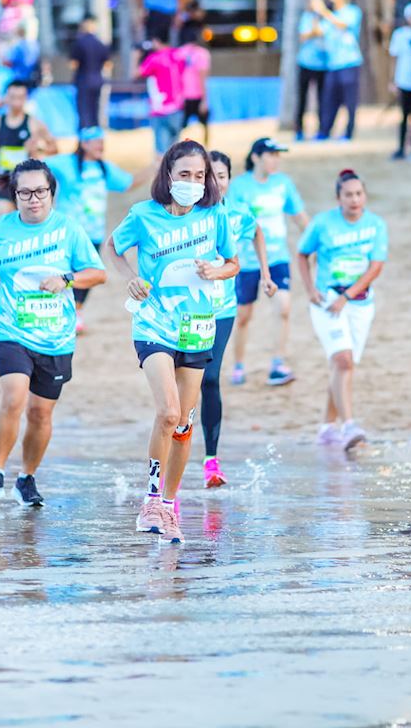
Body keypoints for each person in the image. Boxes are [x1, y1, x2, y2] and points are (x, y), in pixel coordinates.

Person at [104, 140, 238, 542]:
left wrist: (216, 273)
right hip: (153, 324)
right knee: (167, 412)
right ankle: (149, 500)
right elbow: (110, 246)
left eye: (200, 176)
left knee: (183, 423)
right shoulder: (144, 215)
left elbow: (233, 263)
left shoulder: (215, 214)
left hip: (198, 324)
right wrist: (129, 276)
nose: (193, 182)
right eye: (185, 175)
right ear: (168, 175)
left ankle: (168, 504)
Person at [0, 159, 106, 506]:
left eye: (40, 192)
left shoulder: (69, 229)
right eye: (25, 193)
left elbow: (97, 272)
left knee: (40, 412)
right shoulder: (1, 228)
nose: (34, 199)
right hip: (11, 329)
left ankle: (26, 478)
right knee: (14, 397)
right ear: (15, 195)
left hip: (56, 336)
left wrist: (66, 280)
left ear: (52, 193)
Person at [296, 169, 388, 452]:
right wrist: (310, 289)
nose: (354, 199)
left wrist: (348, 296)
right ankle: (348, 425)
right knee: (344, 361)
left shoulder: (376, 225)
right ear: (338, 198)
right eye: (348, 195)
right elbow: (302, 254)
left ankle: (326, 427)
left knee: (343, 367)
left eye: (359, 194)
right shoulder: (323, 223)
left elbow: (376, 266)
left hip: (359, 303)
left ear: (365, 196)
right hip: (328, 301)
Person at [200, 151, 269, 488]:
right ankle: (175, 441)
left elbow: (257, 232)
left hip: (223, 308)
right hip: (186, 310)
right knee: (185, 382)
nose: (216, 181)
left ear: (229, 179)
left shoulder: (238, 214)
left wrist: (266, 273)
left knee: (210, 378)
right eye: (209, 175)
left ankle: (211, 461)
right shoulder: (187, 216)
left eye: (222, 175)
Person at [228, 138, 305, 386]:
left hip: (277, 258)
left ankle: (277, 364)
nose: (275, 160)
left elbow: (298, 216)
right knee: (243, 316)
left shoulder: (283, 184)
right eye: (271, 155)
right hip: (248, 262)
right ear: (255, 157)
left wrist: (317, 240)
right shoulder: (239, 187)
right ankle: (238, 365)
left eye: (277, 155)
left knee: (283, 308)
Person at [47, 127, 134, 330]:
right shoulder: (67, 163)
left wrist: (157, 167)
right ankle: (63, 311)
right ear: (84, 144)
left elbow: (128, 183)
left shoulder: (105, 168)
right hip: (69, 233)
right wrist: (42, 145)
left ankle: (76, 312)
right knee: (65, 270)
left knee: (89, 274)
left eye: (102, 141)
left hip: (95, 233)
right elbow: (40, 165)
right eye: (95, 141)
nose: (100, 145)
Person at [0, 81, 57, 212]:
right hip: (4, 181)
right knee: (2, 218)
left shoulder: (34, 124)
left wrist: (38, 148)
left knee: (29, 222)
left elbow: (54, 149)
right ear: (6, 98)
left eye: (20, 97)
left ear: (26, 99)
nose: (16, 102)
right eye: (13, 97)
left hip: (28, 183)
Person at [314, 0, 363, 140]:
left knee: (350, 101)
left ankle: (348, 133)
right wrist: (316, 14)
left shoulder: (352, 11)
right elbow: (318, 32)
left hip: (349, 62)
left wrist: (323, 12)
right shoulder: (330, 15)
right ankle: (324, 131)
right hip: (332, 64)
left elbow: (342, 25)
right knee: (329, 99)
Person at [388, 3, 411, 160]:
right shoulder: (400, 35)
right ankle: (401, 147)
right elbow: (394, 58)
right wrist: (392, 80)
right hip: (404, 81)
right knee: (404, 116)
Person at [137, 40, 185, 158]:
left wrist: (136, 56)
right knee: (176, 153)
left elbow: (135, 74)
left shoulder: (154, 59)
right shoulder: (178, 55)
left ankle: (164, 176)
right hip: (177, 108)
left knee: (161, 154)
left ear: (155, 41)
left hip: (160, 109)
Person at [69, 16, 111, 130]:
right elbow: (108, 64)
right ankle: (95, 137)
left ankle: (85, 140)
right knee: (95, 110)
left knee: (84, 111)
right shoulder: (101, 43)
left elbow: (74, 65)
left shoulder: (79, 43)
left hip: (83, 80)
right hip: (98, 79)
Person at [175, 25, 212, 146]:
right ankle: (206, 147)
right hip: (197, 95)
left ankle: (176, 147)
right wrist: (205, 100)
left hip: (182, 96)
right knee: (205, 125)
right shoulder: (202, 54)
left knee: (179, 126)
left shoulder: (178, 53)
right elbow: (202, 77)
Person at [295, 6, 328, 141]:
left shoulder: (328, 18)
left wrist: (315, 30)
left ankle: (322, 130)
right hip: (305, 63)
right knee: (302, 99)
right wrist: (315, 28)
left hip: (322, 65)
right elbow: (303, 36)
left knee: (322, 100)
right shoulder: (306, 17)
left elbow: (321, 34)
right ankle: (299, 130)